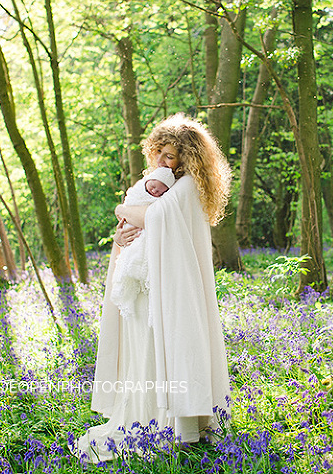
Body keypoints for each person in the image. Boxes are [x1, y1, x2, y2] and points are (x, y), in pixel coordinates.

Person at [72, 114, 232, 462]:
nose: (161, 160)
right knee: (142, 353)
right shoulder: (155, 184)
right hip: (145, 284)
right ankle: (144, 420)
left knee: (166, 350)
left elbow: (157, 218)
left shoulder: (189, 186)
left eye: (170, 154)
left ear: (188, 157)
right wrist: (122, 231)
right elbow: (138, 223)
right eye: (158, 151)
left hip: (171, 289)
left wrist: (122, 208)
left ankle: (174, 424)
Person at [108, 166, 176, 320]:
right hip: (132, 239)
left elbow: (153, 217)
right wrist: (119, 235)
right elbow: (131, 206)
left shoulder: (177, 191)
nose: (155, 193)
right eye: (152, 187)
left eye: (160, 192)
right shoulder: (137, 192)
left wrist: (120, 210)